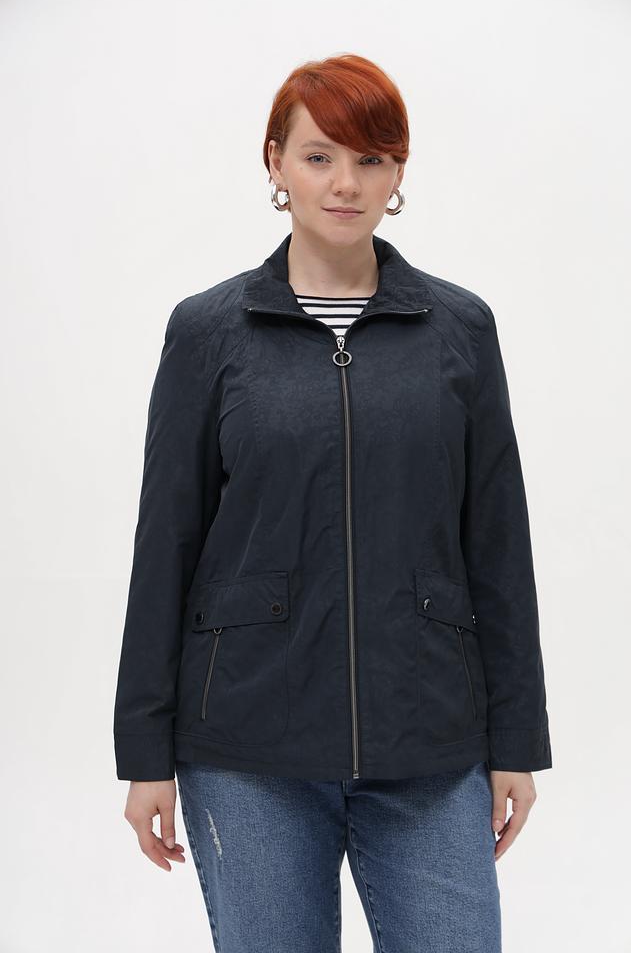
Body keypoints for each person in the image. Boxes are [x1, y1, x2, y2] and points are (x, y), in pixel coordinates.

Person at [113, 52, 552, 952]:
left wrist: (517, 739)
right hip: (247, 747)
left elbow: (498, 543)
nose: (346, 184)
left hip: (430, 741)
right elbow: (167, 545)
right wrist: (144, 753)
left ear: (399, 172)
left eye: (371, 158)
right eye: (319, 157)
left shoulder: (460, 329)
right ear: (275, 162)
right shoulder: (208, 332)